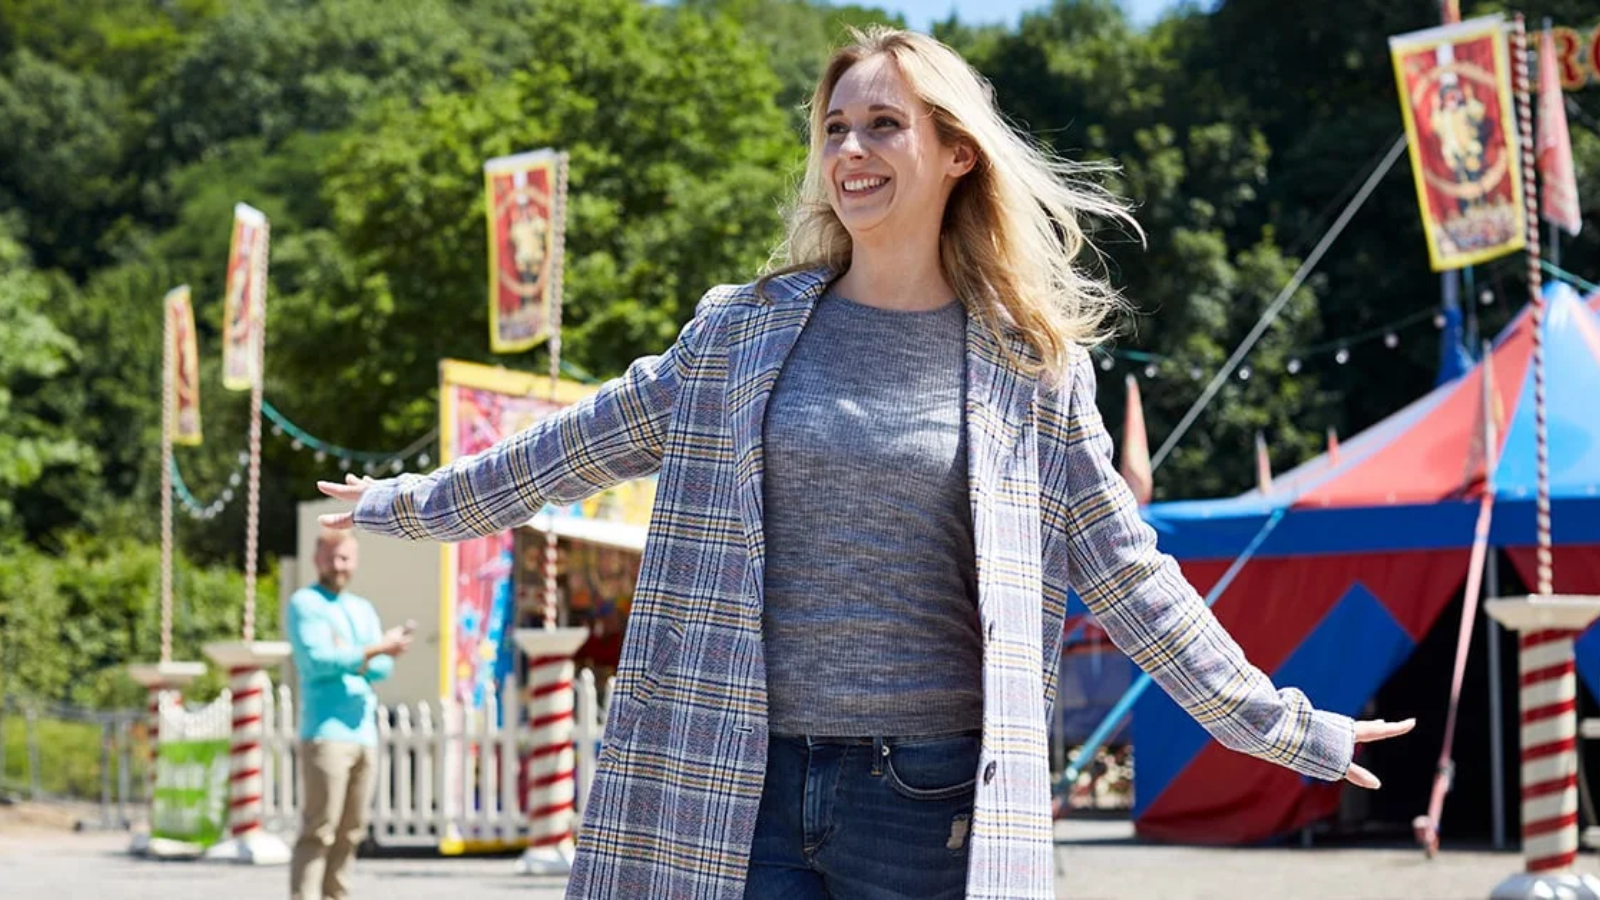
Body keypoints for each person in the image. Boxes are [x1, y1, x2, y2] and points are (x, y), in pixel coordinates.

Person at [318, 26, 1414, 899]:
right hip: (733, 776)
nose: (849, 151)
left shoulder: (1029, 370)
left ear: (954, 152)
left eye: (882, 125)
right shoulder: (736, 334)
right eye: (834, 128)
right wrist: (404, 505)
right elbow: (572, 446)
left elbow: (1130, 576)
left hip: (926, 794)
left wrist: (1275, 722)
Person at [287, 530, 412, 900]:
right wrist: (373, 650)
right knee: (318, 830)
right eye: (332, 558)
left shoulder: (361, 608)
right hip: (325, 734)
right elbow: (316, 660)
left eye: (345, 558)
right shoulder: (304, 603)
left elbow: (382, 669)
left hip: (363, 735)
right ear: (317, 559)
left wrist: (358, 654)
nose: (338, 566)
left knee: (351, 832)